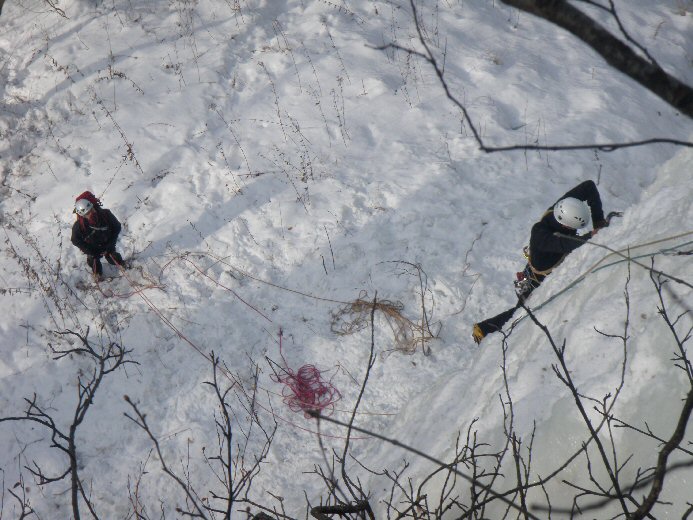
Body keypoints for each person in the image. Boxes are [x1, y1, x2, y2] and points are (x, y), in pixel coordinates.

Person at [472, 180, 607, 344]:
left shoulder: (560, 208)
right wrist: (591, 236)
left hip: (532, 274)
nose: (575, 231)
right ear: (565, 224)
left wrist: (598, 221)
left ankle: (484, 330)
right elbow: (565, 243)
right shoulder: (541, 236)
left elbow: (589, 187)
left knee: (520, 313)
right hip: (533, 284)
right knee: (521, 315)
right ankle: (483, 330)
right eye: (573, 228)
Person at [71, 191, 128, 279]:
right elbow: (75, 240)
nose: (91, 213)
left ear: (93, 206)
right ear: (83, 215)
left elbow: (117, 227)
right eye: (87, 213)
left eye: (91, 210)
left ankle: (121, 263)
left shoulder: (106, 214)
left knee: (112, 256)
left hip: (107, 242)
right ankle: (97, 274)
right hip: (92, 247)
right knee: (93, 261)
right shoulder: (79, 226)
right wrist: (90, 251)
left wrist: (111, 244)